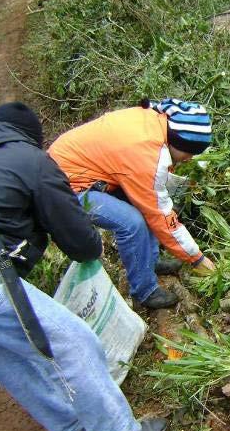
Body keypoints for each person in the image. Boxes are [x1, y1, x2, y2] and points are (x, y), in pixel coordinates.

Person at [0, 102, 166, 431]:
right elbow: (78, 238)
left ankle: (66, 420)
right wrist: (91, 249)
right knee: (73, 341)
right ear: (32, 138)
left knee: (0, 353)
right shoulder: (32, 160)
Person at [48, 98, 217, 310]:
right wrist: (197, 259)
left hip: (84, 170)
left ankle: (150, 261)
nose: (190, 159)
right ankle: (145, 291)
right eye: (190, 152)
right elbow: (159, 214)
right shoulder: (144, 152)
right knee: (132, 223)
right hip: (64, 186)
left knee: (146, 206)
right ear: (179, 142)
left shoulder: (156, 124)